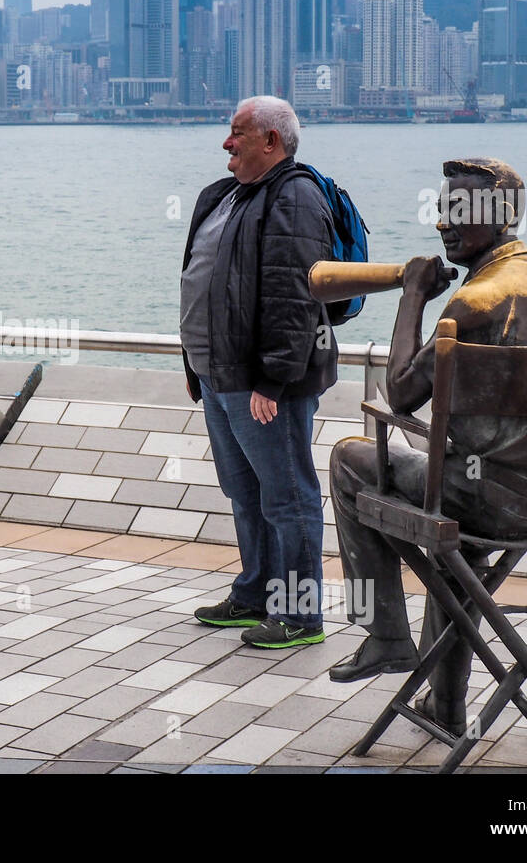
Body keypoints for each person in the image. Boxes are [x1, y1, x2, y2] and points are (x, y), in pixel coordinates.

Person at [327, 158, 527, 735]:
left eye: (458, 211)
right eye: (442, 208)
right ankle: (447, 707)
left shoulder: (475, 301)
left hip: (498, 501)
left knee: (350, 458)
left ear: (501, 217)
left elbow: (401, 395)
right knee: (457, 553)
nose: (442, 223)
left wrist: (412, 293)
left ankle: (386, 636)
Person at [185, 96, 337, 649]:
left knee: (287, 494)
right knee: (244, 490)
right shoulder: (224, 195)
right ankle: (255, 594)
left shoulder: (295, 195)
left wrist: (270, 381)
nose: (226, 143)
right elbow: (205, 282)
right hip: (218, 374)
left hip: (265, 383)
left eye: (237, 133)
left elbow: (291, 298)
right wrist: (194, 365)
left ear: (271, 141)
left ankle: (300, 616)